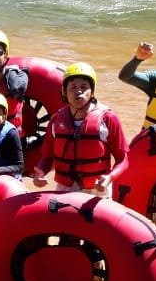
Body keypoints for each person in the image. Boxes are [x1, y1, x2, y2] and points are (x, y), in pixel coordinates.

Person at [32, 62, 129, 193]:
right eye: (73, 87)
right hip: (65, 187)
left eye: (84, 87)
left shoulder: (108, 118)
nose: (78, 91)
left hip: (98, 188)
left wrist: (109, 177)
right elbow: (47, 156)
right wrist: (41, 173)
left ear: (92, 91)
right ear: (64, 92)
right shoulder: (56, 120)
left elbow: (123, 159)